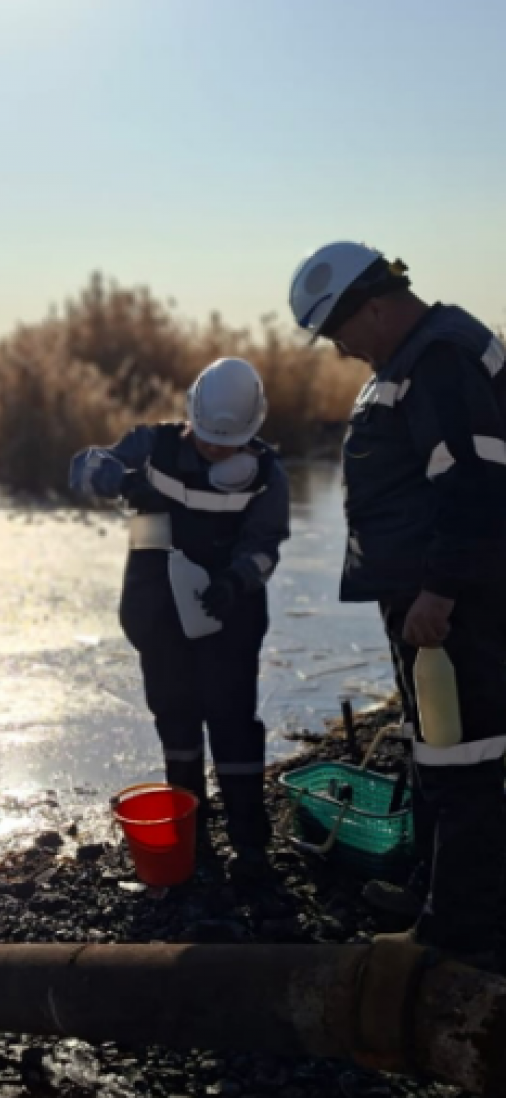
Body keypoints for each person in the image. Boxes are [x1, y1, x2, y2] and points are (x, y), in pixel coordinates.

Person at [289, 241, 506, 964]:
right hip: (433, 603)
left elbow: (474, 485)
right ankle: (440, 889)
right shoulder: (417, 353)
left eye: (341, 332)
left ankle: (455, 932)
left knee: (462, 754)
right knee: (439, 746)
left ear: (375, 306)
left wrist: (439, 593)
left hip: (454, 607)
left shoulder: (438, 358)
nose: (342, 350)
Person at [69, 358, 290, 881]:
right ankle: (193, 841)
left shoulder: (268, 476)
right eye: (209, 438)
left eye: (228, 442)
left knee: (234, 724)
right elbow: (80, 467)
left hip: (228, 615)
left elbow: (265, 548)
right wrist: (118, 478)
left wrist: (236, 581)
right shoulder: (150, 447)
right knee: (176, 720)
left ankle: (250, 846)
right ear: (189, 414)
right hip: (156, 614)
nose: (216, 449)